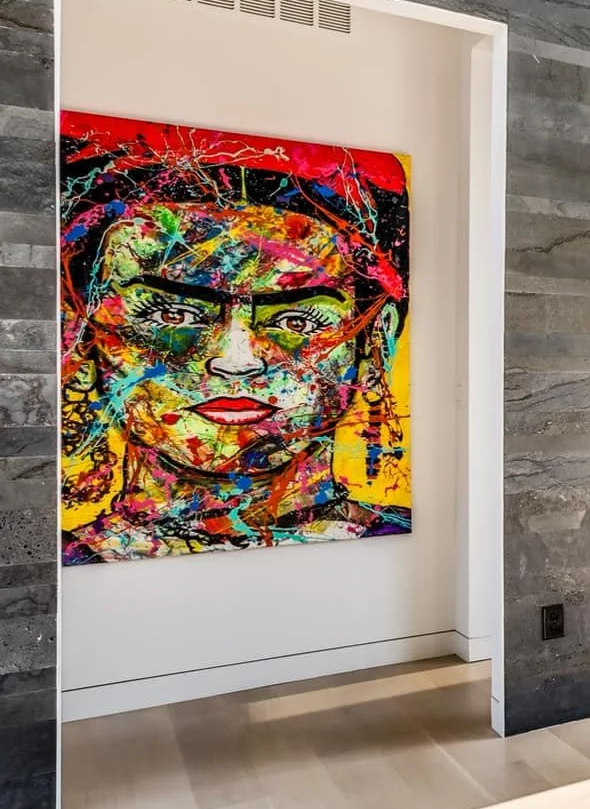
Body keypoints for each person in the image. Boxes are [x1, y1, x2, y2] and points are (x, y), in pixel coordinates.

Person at [59, 113, 411, 564]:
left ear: (376, 339)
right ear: (80, 329)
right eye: (172, 313)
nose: (236, 359)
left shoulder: (417, 550)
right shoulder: (59, 569)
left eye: (297, 321)